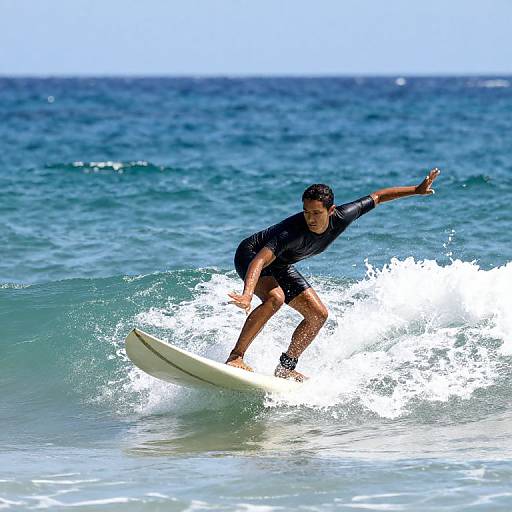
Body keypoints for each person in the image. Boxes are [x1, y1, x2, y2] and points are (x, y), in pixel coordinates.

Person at [226, 168, 441, 381]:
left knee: (318, 315)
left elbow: (378, 196)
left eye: (316, 213)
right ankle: (236, 357)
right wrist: (247, 294)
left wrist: (416, 189)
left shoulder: (344, 215)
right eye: (306, 211)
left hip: (281, 265)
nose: (310, 218)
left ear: (331, 211)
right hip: (251, 255)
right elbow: (260, 260)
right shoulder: (291, 231)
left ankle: (286, 368)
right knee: (275, 298)